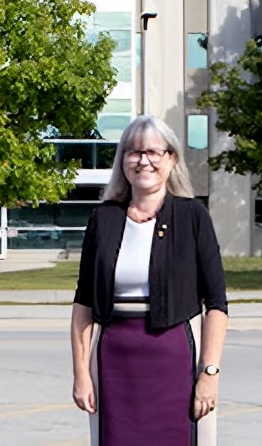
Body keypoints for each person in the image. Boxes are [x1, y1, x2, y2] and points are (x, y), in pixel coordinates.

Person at [70, 115, 229, 446]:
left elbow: (216, 305)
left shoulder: (192, 216)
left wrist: (209, 375)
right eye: (133, 151)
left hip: (176, 362)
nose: (143, 160)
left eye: (154, 152)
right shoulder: (104, 219)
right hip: (114, 364)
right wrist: (81, 374)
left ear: (171, 159)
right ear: (123, 161)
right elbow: (84, 304)